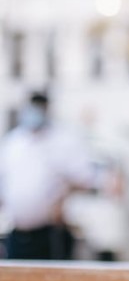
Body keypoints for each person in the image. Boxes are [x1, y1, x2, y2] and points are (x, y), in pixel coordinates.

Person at [0, 91, 106, 260]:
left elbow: (86, 179)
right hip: (17, 232)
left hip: (50, 233)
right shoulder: (14, 142)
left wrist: (62, 196)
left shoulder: (63, 141)